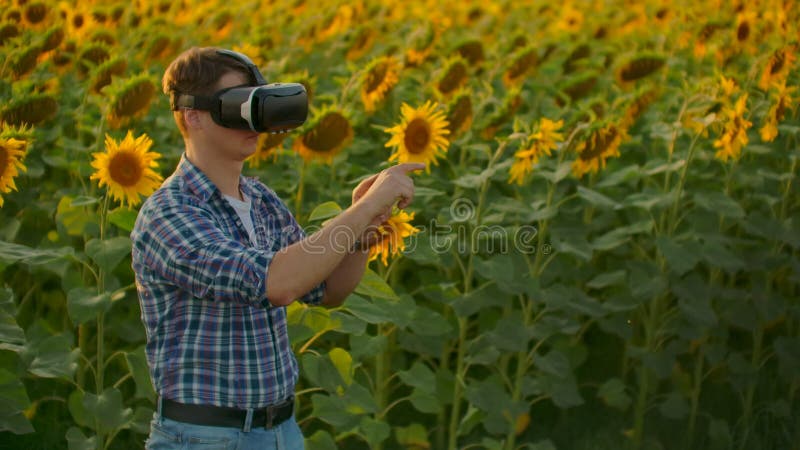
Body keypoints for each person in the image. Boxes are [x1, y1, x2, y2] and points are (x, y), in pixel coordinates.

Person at [131, 46, 424, 450]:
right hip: (204, 437)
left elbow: (326, 292)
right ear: (192, 115)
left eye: (258, 104)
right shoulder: (168, 214)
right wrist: (365, 207)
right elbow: (277, 282)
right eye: (237, 106)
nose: (253, 120)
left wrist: (360, 232)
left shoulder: (261, 200)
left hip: (281, 432)